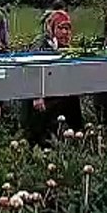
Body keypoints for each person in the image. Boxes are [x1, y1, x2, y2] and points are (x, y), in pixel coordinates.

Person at [22, 9, 84, 146]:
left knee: (72, 99)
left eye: (67, 29)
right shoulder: (41, 46)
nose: (64, 32)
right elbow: (31, 70)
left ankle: (79, 136)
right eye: (61, 28)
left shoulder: (66, 49)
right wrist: (37, 94)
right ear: (52, 29)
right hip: (39, 97)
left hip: (56, 92)